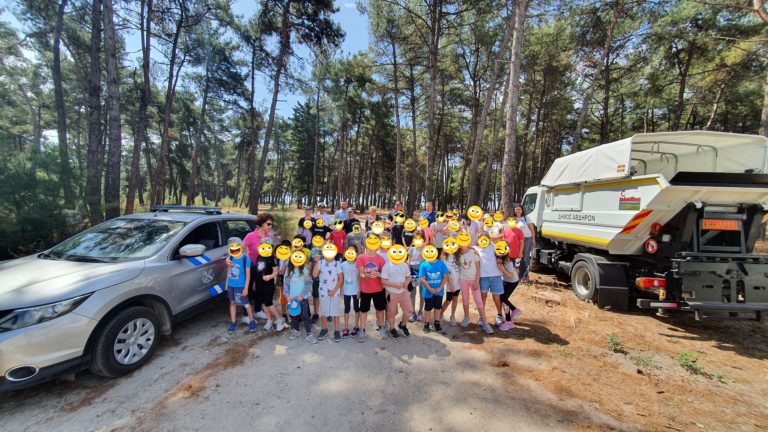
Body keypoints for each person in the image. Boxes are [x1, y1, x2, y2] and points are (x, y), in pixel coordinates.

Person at [356, 238, 388, 342]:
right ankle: (362, 330)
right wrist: (366, 276)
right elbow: (361, 273)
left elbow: (384, 275)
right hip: (365, 290)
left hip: (379, 289)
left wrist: (379, 274)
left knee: (380, 310)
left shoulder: (381, 259)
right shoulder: (361, 258)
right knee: (363, 311)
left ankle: (382, 328)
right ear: (367, 245)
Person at [244, 214, 274, 321]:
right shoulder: (250, 236)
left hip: (263, 268)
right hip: (251, 267)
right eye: (268, 224)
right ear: (261, 224)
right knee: (249, 290)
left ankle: (257, 311)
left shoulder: (268, 237)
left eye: (271, 224)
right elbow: (242, 249)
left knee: (260, 290)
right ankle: (246, 316)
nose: (271, 226)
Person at [457, 243, 493, 333]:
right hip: (463, 279)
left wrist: (477, 281)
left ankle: (485, 323)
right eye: (460, 242)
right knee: (465, 299)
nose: (462, 244)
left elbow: (478, 268)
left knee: (478, 301)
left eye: (463, 242)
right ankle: (466, 317)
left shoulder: (473, 253)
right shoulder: (457, 253)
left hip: (474, 280)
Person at [225, 238, 257, 334]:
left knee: (246, 303)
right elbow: (229, 270)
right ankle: (233, 322)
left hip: (241, 286)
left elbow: (248, 275)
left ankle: (252, 321)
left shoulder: (245, 259)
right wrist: (226, 283)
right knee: (232, 302)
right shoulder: (230, 257)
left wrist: (246, 288)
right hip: (231, 284)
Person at [253, 241, 285, 332]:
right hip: (259, 284)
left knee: (269, 303)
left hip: (268, 284)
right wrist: (255, 283)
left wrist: (269, 276)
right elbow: (258, 271)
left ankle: (279, 320)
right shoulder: (259, 257)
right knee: (263, 303)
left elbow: (276, 271)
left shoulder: (272, 259)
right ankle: (269, 320)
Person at [313, 245, 344, 342]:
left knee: (335, 312)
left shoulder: (337, 263)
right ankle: (324, 329)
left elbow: (340, 279)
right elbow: (314, 275)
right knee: (324, 312)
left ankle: (336, 331)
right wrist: (317, 262)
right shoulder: (321, 262)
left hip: (335, 292)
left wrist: (334, 290)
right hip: (323, 291)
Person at [285, 252, 317, 343]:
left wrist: (302, 295)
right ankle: (295, 330)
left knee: (305, 315)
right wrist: (287, 295)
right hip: (292, 299)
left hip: (302, 298)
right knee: (293, 315)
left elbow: (308, 283)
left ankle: (309, 334)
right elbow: (286, 285)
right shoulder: (288, 271)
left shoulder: (305, 271)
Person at [381, 247, 412, 338]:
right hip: (391, 293)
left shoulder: (404, 265)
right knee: (391, 313)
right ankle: (392, 328)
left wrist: (406, 283)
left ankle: (402, 325)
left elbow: (408, 277)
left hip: (403, 292)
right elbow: (383, 281)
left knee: (408, 312)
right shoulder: (387, 266)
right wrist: (395, 285)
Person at [477, 235, 505, 328]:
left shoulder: (495, 247)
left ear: (489, 240)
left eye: (486, 239)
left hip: (496, 276)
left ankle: (499, 315)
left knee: (496, 298)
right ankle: (481, 316)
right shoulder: (476, 249)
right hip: (483, 277)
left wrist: (501, 258)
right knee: (482, 297)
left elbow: (504, 252)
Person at [419, 248, 449, 334]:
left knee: (437, 307)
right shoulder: (424, 265)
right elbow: (423, 279)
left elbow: (445, 277)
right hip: (428, 291)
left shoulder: (441, 264)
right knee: (428, 307)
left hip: (439, 291)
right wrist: (430, 289)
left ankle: (437, 322)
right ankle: (426, 324)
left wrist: (439, 288)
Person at [497, 253, 523, 331]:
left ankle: (510, 319)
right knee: (503, 298)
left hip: (512, 282)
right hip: (505, 281)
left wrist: (502, 269)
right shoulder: (499, 257)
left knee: (503, 298)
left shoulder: (507, 261)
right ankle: (511, 316)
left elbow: (511, 276)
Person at [340, 246, 360, 338]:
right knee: (346, 308)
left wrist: (359, 290)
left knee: (356, 308)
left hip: (355, 290)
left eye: (353, 251)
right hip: (346, 290)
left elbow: (359, 278)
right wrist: (341, 290)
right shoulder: (343, 264)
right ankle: (346, 327)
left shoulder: (358, 264)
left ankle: (356, 326)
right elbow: (341, 278)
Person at [514, 204, 536, 281]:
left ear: (522, 210)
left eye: (519, 209)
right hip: (517, 240)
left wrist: (533, 240)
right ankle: (518, 275)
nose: (518, 210)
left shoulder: (526, 218)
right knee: (518, 257)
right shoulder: (513, 219)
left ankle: (525, 276)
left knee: (526, 257)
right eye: (516, 209)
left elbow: (532, 230)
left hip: (527, 239)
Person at [440, 247, 461, 326]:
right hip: (451, 284)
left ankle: (452, 316)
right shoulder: (445, 257)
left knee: (455, 299)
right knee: (448, 301)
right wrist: (451, 284)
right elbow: (446, 273)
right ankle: (440, 314)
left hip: (458, 283)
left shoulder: (458, 255)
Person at [407, 234, 425, 322]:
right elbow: (409, 262)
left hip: (422, 274)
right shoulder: (411, 249)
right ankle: (412, 312)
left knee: (422, 294)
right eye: (416, 238)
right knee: (412, 294)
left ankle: (420, 312)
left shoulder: (425, 249)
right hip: (413, 273)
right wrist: (408, 273)